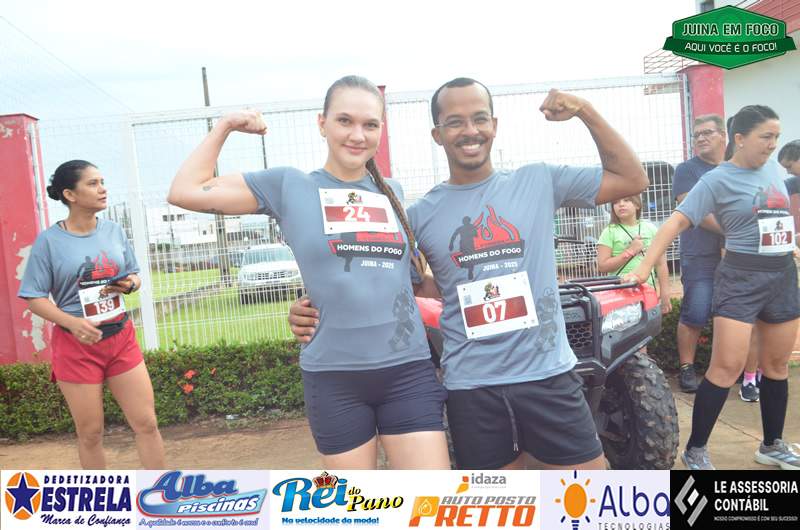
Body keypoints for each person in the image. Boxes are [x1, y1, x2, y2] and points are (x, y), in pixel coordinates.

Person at [291, 77, 650, 470]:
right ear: (437, 134)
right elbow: (393, 280)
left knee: (586, 498)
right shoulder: (419, 216)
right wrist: (314, 305)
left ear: (494, 125)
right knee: (493, 502)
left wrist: (585, 111)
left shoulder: (538, 181)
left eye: (479, 119)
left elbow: (633, 179)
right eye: (455, 122)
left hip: (548, 377)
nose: (470, 130)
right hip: (473, 389)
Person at [166, 75, 449, 470]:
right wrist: (225, 125)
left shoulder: (394, 194)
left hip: (408, 372)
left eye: (370, 124)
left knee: (430, 499)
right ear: (322, 123)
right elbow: (184, 191)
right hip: (335, 378)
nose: (357, 135)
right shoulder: (289, 186)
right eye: (344, 121)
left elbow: (403, 282)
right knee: (354, 502)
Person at [624, 105, 800, 470]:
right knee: (726, 367)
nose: (773, 145)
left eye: (776, 137)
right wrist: (643, 268)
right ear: (740, 138)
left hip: (782, 275)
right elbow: (675, 223)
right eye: (766, 137)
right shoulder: (716, 180)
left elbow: (775, 218)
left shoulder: (772, 169)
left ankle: (771, 445)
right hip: (741, 278)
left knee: (776, 365)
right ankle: (696, 450)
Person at [18, 160, 166, 469]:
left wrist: (130, 284)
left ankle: (160, 491)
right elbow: (33, 297)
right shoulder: (49, 242)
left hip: (121, 337)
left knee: (147, 423)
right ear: (70, 195)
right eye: (93, 183)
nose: (103, 189)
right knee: (90, 434)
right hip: (77, 346)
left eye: (102, 181)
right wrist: (72, 323)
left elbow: (134, 274)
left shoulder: (113, 230)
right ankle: (100, 498)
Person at [671, 115, 726, 393]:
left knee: (729, 314)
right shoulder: (687, 170)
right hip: (699, 255)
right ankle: (686, 367)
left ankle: (726, 367)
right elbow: (693, 208)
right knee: (696, 311)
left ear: (723, 135)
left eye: (707, 133)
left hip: (734, 256)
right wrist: (730, 231)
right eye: (697, 135)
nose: (701, 138)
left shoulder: (734, 167)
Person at [596, 194, 672, 315]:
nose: (621, 204)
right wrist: (630, 251)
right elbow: (602, 266)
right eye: (616, 202)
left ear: (637, 205)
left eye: (626, 200)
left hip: (648, 292)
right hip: (619, 293)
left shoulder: (650, 228)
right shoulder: (609, 232)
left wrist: (665, 293)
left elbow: (661, 264)